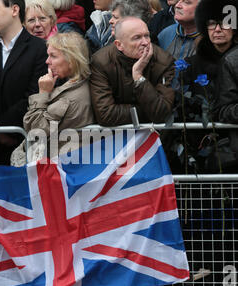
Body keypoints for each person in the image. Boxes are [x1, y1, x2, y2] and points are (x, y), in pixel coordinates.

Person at [168, 0, 238, 174]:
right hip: (202, 150)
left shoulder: (234, 62)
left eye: (224, 23)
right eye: (211, 24)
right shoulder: (192, 66)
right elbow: (181, 106)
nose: (217, 29)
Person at [0, 0, 48, 165]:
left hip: (23, 144)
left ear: (14, 10)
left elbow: (35, 94)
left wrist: (5, 127)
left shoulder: (40, 48)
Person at [11, 32, 94, 165]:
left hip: (58, 167)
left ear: (71, 59)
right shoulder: (81, 85)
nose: (47, 61)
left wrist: (42, 93)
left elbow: (36, 131)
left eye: (53, 56)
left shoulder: (68, 98)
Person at [90, 16, 175, 127]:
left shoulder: (164, 61)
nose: (145, 42)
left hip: (156, 138)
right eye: (137, 38)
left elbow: (161, 113)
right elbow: (105, 115)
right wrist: (148, 110)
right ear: (119, 45)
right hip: (116, 139)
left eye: (147, 36)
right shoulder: (101, 61)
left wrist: (139, 77)